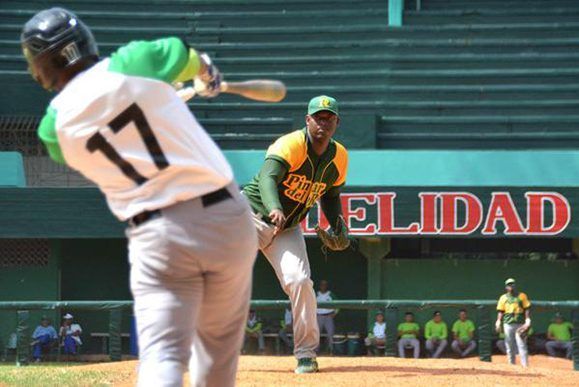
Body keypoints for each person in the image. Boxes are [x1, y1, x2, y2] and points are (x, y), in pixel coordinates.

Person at [21, 8, 258, 386]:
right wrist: (206, 72)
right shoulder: (135, 61)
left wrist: (157, 100)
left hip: (157, 234)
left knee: (162, 356)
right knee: (215, 353)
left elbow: (110, 132)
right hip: (226, 218)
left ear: (40, 66)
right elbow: (186, 55)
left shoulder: (53, 130)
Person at [242, 95, 350, 373]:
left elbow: (331, 194)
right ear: (308, 119)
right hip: (250, 217)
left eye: (329, 118)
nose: (323, 123)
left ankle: (305, 354)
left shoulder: (339, 157)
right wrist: (274, 206)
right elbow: (267, 177)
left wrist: (338, 224)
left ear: (337, 122)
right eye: (318, 117)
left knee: (300, 281)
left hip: (287, 229)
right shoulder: (290, 144)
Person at [495, 278, 531, 367]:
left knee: (522, 345)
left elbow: (527, 308)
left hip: (520, 323)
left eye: (512, 284)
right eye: (509, 284)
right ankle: (511, 366)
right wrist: (498, 321)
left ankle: (525, 366)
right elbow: (500, 311)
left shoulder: (522, 295)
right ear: (506, 287)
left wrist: (527, 320)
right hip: (508, 323)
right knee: (509, 346)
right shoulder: (503, 297)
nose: (511, 286)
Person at [316, 280, 338, 354]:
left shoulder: (330, 294)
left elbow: (338, 305)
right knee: (316, 334)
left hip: (328, 316)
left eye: (325, 285)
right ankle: (316, 350)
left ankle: (331, 350)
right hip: (318, 316)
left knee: (330, 333)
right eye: (322, 285)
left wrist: (335, 313)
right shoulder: (316, 294)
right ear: (320, 286)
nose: (323, 286)